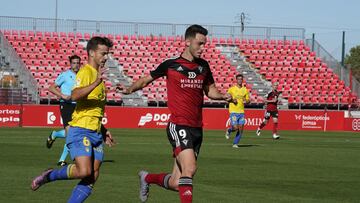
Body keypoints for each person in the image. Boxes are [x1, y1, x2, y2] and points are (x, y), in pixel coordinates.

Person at [120, 24, 234, 203]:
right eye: (199, 43)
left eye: (204, 44)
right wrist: (128, 89)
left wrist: (223, 96)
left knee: (176, 183)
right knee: (190, 168)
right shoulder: (171, 64)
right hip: (178, 125)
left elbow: (210, 91)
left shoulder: (204, 66)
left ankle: (147, 178)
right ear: (187, 41)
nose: (202, 48)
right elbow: (144, 81)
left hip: (197, 128)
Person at [31, 36, 115, 203]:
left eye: (108, 54)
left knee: (92, 177)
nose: (106, 57)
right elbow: (75, 95)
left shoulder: (98, 75)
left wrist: (103, 130)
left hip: (96, 133)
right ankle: (50, 175)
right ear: (91, 53)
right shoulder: (86, 72)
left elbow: (94, 109)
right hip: (80, 130)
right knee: (84, 171)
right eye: (103, 53)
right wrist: (97, 81)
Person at [47, 55, 81, 166]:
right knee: (70, 133)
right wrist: (62, 95)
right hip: (66, 105)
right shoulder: (65, 75)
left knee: (73, 133)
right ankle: (62, 160)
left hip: (77, 106)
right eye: (74, 63)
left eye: (78, 63)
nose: (76, 65)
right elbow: (51, 87)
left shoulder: (82, 76)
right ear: (70, 64)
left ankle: (55, 135)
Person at [224, 74, 250, 148]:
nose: (240, 80)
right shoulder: (231, 89)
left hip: (241, 112)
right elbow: (226, 99)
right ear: (236, 80)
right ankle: (229, 130)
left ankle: (235, 143)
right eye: (238, 79)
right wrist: (232, 100)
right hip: (233, 111)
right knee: (235, 128)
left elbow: (248, 100)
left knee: (241, 129)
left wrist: (246, 101)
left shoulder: (245, 90)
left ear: (242, 80)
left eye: (241, 79)